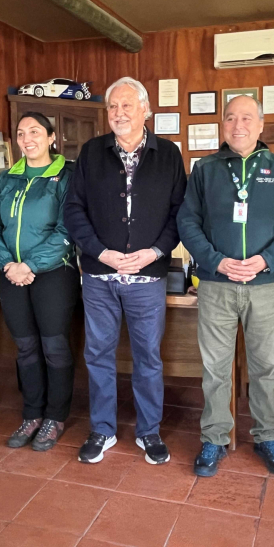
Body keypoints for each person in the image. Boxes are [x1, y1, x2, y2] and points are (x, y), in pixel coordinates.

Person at [177, 95, 274, 477]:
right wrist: (215, 260)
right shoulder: (204, 169)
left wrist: (267, 259)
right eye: (231, 118)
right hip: (216, 284)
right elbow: (187, 221)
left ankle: (267, 435)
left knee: (266, 365)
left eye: (247, 118)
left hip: (266, 285)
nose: (238, 125)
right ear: (223, 124)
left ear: (261, 124)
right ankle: (214, 438)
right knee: (215, 367)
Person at [64, 77, 186, 465]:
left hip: (147, 276)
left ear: (145, 109)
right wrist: (101, 252)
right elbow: (73, 210)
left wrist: (154, 252)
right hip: (99, 275)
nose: (119, 113)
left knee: (147, 356)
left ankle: (149, 431)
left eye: (127, 105)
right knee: (98, 353)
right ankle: (102, 429)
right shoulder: (91, 152)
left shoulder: (168, 154)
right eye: (113, 107)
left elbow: (181, 213)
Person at [0, 112, 79, 451]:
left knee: (54, 347)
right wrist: (9, 263)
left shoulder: (66, 177)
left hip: (54, 274)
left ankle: (55, 416)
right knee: (25, 347)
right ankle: (32, 414)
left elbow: (68, 229)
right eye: (21, 133)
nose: (27, 139)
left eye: (35, 132)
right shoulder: (7, 178)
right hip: (12, 275)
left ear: (51, 137)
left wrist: (31, 265)